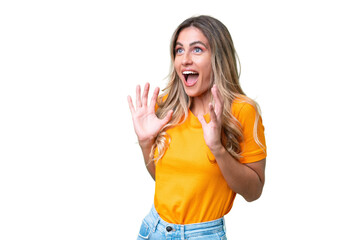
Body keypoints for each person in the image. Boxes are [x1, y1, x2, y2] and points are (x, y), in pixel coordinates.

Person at [128, 15, 267, 240]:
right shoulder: (166, 107)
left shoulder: (241, 111)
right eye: (179, 50)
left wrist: (217, 148)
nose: (185, 59)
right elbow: (165, 179)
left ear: (218, 58)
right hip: (153, 230)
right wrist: (145, 143)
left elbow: (254, 192)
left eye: (197, 50)